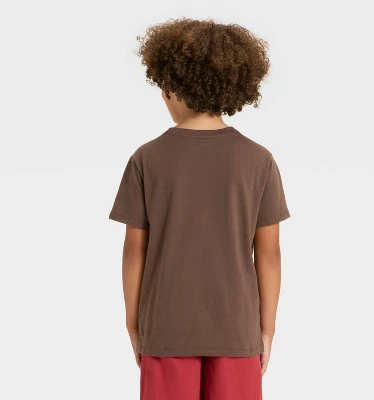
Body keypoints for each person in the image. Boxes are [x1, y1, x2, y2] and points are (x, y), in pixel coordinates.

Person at [109, 17, 291, 400]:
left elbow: (134, 251)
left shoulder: (146, 159)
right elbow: (269, 254)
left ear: (173, 85)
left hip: (165, 328)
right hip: (237, 329)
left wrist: (133, 322)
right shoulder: (259, 160)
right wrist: (266, 330)